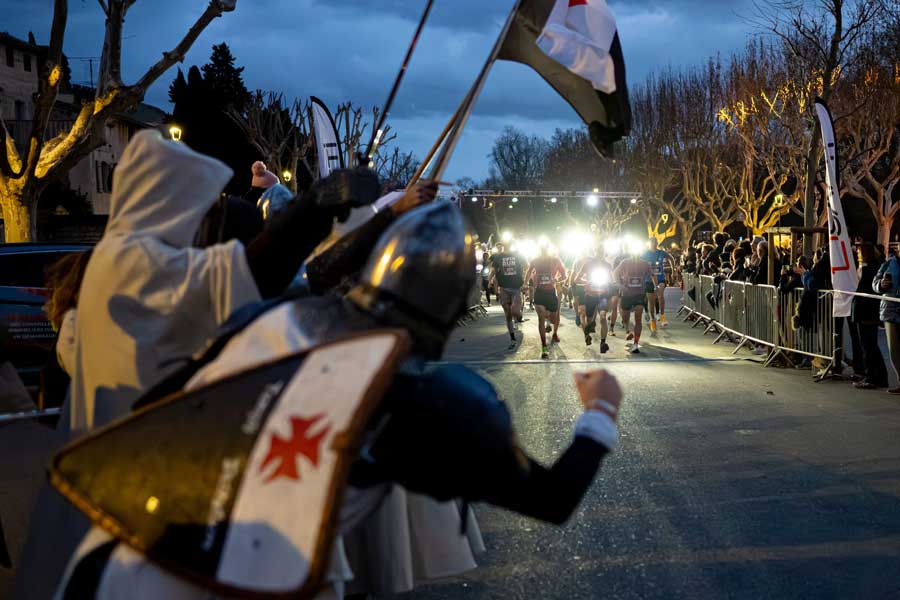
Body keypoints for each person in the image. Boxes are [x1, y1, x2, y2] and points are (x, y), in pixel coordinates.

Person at [53, 202, 625, 600]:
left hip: (110, 558)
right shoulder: (416, 400)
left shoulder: (269, 320)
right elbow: (550, 497)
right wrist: (601, 410)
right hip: (236, 582)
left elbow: (156, 409)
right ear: (455, 307)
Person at [67, 130, 379, 432]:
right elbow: (257, 272)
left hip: (128, 442)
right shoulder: (136, 261)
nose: (204, 219)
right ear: (166, 201)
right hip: (131, 450)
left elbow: (307, 277)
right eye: (199, 207)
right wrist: (315, 205)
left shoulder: (118, 254)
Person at [850, 243, 887, 389]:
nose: (858, 255)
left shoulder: (868, 269)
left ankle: (872, 377)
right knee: (871, 346)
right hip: (868, 312)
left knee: (868, 347)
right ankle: (877, 376)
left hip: (866, 312)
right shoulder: (872, 267)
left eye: (859, 252)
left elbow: (865, 290)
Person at [525, 245, 567, 359]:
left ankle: (552, 328)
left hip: (551, 293)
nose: (543, 250)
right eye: (542, 248)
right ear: (540, 250)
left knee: (554, 318)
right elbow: (529, 272)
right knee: (541, 318)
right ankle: (544, 347)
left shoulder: (555, 260)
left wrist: (557, 280)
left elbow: (564, 275)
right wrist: (525, 283)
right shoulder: (535, 260)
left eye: (545, 248)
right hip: (539, 293)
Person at [614, 250, 654, 353]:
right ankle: (628, 329)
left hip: (639, 294)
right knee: (625, 318)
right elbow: (615, 273)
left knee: (638, 318)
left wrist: (656, 287)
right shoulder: (625, 262)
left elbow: (652, 274)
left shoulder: (644, 263)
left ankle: (636, 343)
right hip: (627, 294)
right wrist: (620, 285)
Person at [573, 251, 612, 352]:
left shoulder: (607, 265)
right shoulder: (588, 264)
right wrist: (587, 282)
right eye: (599, 251)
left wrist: (610, 284)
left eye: (602, 251)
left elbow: (611, 280)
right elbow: (576, 280)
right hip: (590, 296)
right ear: (595, 252)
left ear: (604, 253)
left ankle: (603, 343)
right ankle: (587, 335)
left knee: (603, 317)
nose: (600, 254)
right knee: (589, 321)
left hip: (602, 295)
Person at [490, 241, 526, 350]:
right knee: (508, 315)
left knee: (515, 311)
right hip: (504, 287)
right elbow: (494, 269)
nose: (505, 246)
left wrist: (524, 279)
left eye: (507, 244)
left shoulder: (518, 255)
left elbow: (527, 266)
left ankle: (519, 316)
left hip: (516, 287)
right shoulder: (498, 257)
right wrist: (490, 278)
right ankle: (512, 339)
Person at [873, 249, 900, 394]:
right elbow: (875, 282)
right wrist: (881, 284)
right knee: (894, 349)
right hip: (890, 310)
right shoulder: (888, 264)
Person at [642, 238, 673, 329]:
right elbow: (640, 264)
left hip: (660, 278)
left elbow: (670, 258)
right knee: (651, 302)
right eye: (652, 243)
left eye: (655, 242)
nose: (654, 244)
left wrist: (673, 269)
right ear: (649, 244)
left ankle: (662, 316)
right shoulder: (645, 254)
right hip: (648, 280)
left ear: (657, 243)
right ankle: (653, 320)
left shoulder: (661, 253)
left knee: (660, 295)